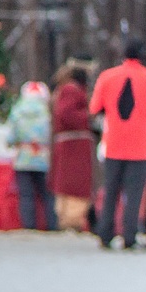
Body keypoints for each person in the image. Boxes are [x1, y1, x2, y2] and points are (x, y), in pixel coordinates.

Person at [89, 38, 146, 249]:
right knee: (134, 192)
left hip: (114, 142)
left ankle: (105, 232)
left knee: (111, 190)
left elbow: (94, 108)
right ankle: (129, 234)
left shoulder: (107, 77)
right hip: (141, 145)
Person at [48, 65, 95, 231]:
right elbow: (66, 114)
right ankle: (71, 220)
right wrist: (88, 116)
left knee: (66, 183)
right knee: (75, 183)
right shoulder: (71, 90)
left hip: (69, 145)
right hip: (74, 147)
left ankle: (68, 219)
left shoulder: (63, 90)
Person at [6, 81, 57, 230]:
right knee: (47, 194)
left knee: (26, 195)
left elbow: (10, 137)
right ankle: (52, 226)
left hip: (23, 157)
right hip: (44, 158)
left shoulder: (17, 111)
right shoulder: (47, 111)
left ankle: (29, 226)